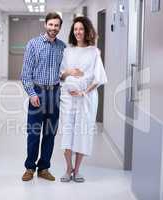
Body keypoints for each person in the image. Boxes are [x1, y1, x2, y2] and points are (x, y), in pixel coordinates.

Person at [21, 12, 73, 182]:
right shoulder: (33, 44)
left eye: (56, 25)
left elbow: (62, 73)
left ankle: (44, 168)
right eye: (51, 25)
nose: (53, 28)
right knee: (34, 133)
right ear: (46, 25)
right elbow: (25, 73)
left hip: (55, 93)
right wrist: (31, 94)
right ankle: (30, 167)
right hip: (38, 92)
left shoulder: (62, 47)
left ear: (60, 27)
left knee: (50, 133)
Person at [59, 16, 108, 183]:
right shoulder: (67, 51)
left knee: (82, 132)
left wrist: (83, 93)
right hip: (68, 98)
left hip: (86, 98)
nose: (78, 32)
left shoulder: (94, 52)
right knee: (67, 131)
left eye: (81, 29)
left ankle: (77, 170)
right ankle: (68, 168)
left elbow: (98, 78)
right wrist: (70, 72)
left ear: (86, 31)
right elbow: (61, 74)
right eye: (75, 29)